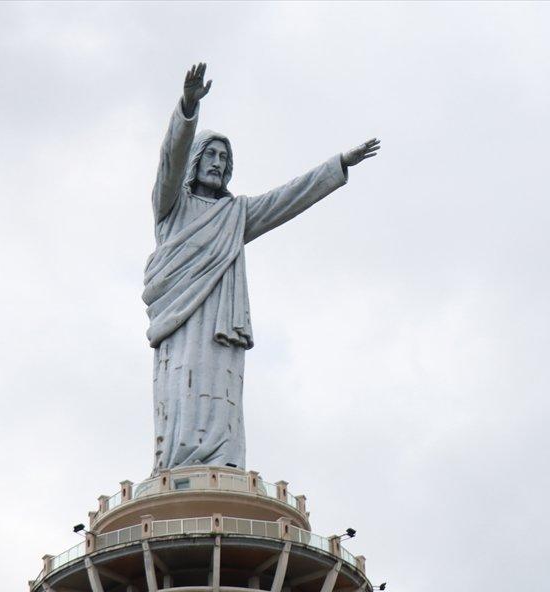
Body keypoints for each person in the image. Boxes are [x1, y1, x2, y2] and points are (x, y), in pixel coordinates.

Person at [143, 63, 379, 471]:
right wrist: (187, 109)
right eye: (210, 155)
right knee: (184, 382)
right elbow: (169, 161)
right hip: (180, 324)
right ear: (195, 162)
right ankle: (180, 463)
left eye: (224, 157)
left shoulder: (236, 214)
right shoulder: (173, 209)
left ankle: (223, 460)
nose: (217, 162)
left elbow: (289, 198)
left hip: (219, 321)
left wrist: (338, 164)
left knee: (221, 384)